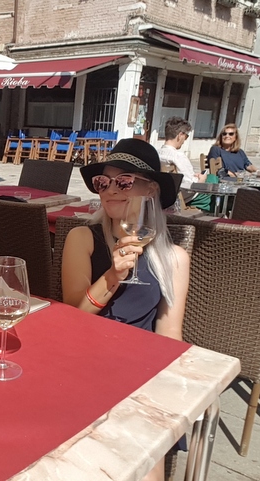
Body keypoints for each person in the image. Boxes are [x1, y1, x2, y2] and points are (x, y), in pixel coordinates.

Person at [61, 138, 190, 481]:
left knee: (145, 462)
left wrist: (167, 398)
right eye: (103, 182)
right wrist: (112, 276)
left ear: (151, 190)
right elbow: (71, 317)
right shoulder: (83, 238)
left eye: (125, 181)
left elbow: (169, 335)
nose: (111, 190)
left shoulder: (174, 259)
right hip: (82, 365)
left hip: (138, 371)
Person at [158, 117, 211, 211]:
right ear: (180, 135)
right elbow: (191, 185)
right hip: (181, 196)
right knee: (212, 180)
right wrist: (201, 179)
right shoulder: (178, 156)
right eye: (186, 137)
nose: (185, 140)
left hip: (162, 194)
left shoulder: (156, 154)